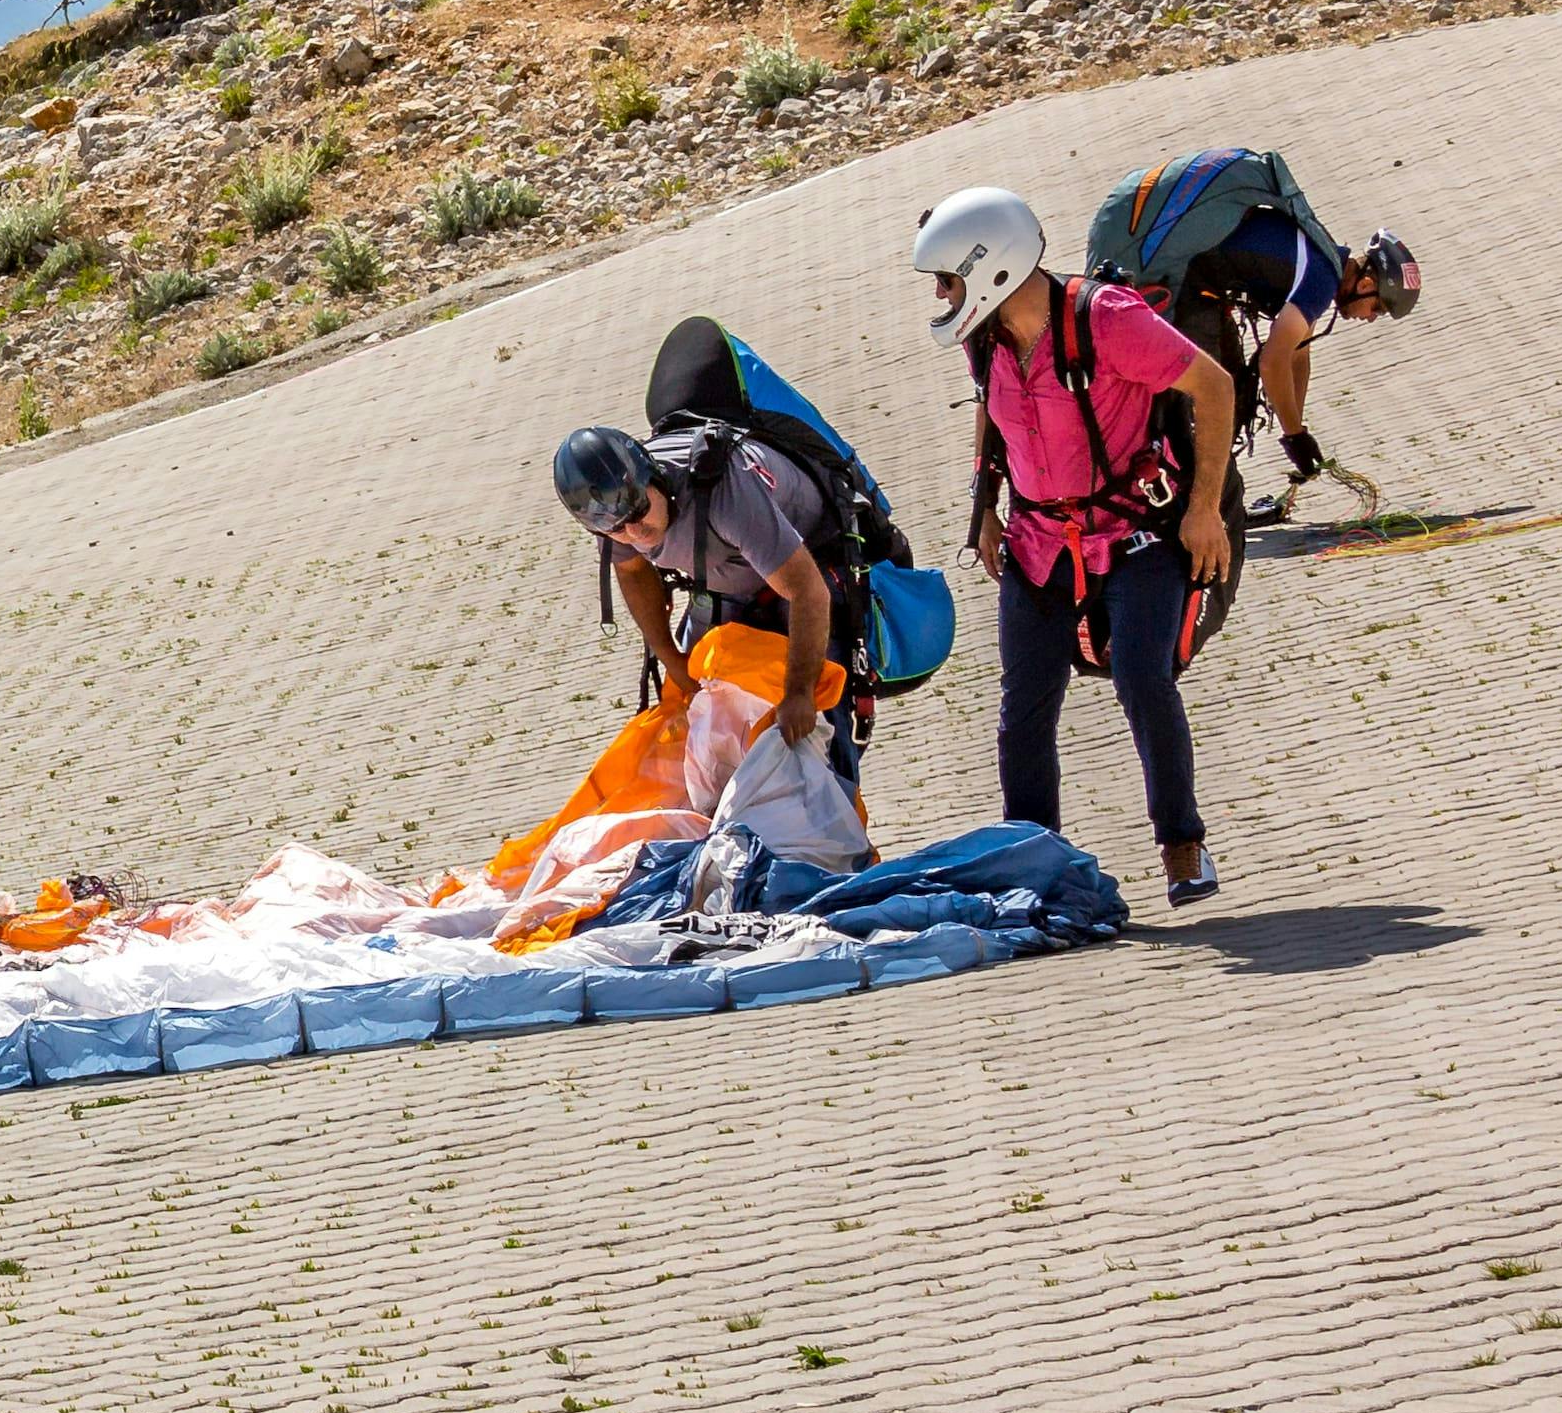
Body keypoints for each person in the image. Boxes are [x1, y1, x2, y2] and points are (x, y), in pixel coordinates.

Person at [916, 184, 1242, 907]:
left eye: (947, 279)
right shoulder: (987, 334)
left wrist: (1203, 510)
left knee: (1140, 675)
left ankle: (1182, 845)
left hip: (1135, 532)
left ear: (991, 265)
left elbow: (1213, 387)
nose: (941, 296)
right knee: (1023, 707)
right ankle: (1036, 863)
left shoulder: (1109, 321)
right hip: (1037, 540)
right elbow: (992, 412)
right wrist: (985, 506)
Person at [1081, 150, 1422, 510]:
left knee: (1234, 395)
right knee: (1211, 397)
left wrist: (1297, 430)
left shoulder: (1324, 261)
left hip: (1203, 290)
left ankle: (1211, 499)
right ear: (1367, 282)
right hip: (1187, 288)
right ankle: (1199, 507)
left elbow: (1297, 356)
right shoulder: (1322, 279)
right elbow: (1273, 362)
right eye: (1377, 308)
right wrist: (1295, 436)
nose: (1370, 318)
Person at [551, 416, 851, 784]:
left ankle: (840, 813)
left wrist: (800, 694)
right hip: (727, 579)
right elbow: (631, 572)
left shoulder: (724, 490)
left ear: (653, 478)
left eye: (639, 513)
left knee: (815, 722)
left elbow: (808, 591)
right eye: (616, 530)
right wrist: (672, 658)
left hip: (808, 568)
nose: (635, 533)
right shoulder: (608, 511)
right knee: (701, 713)